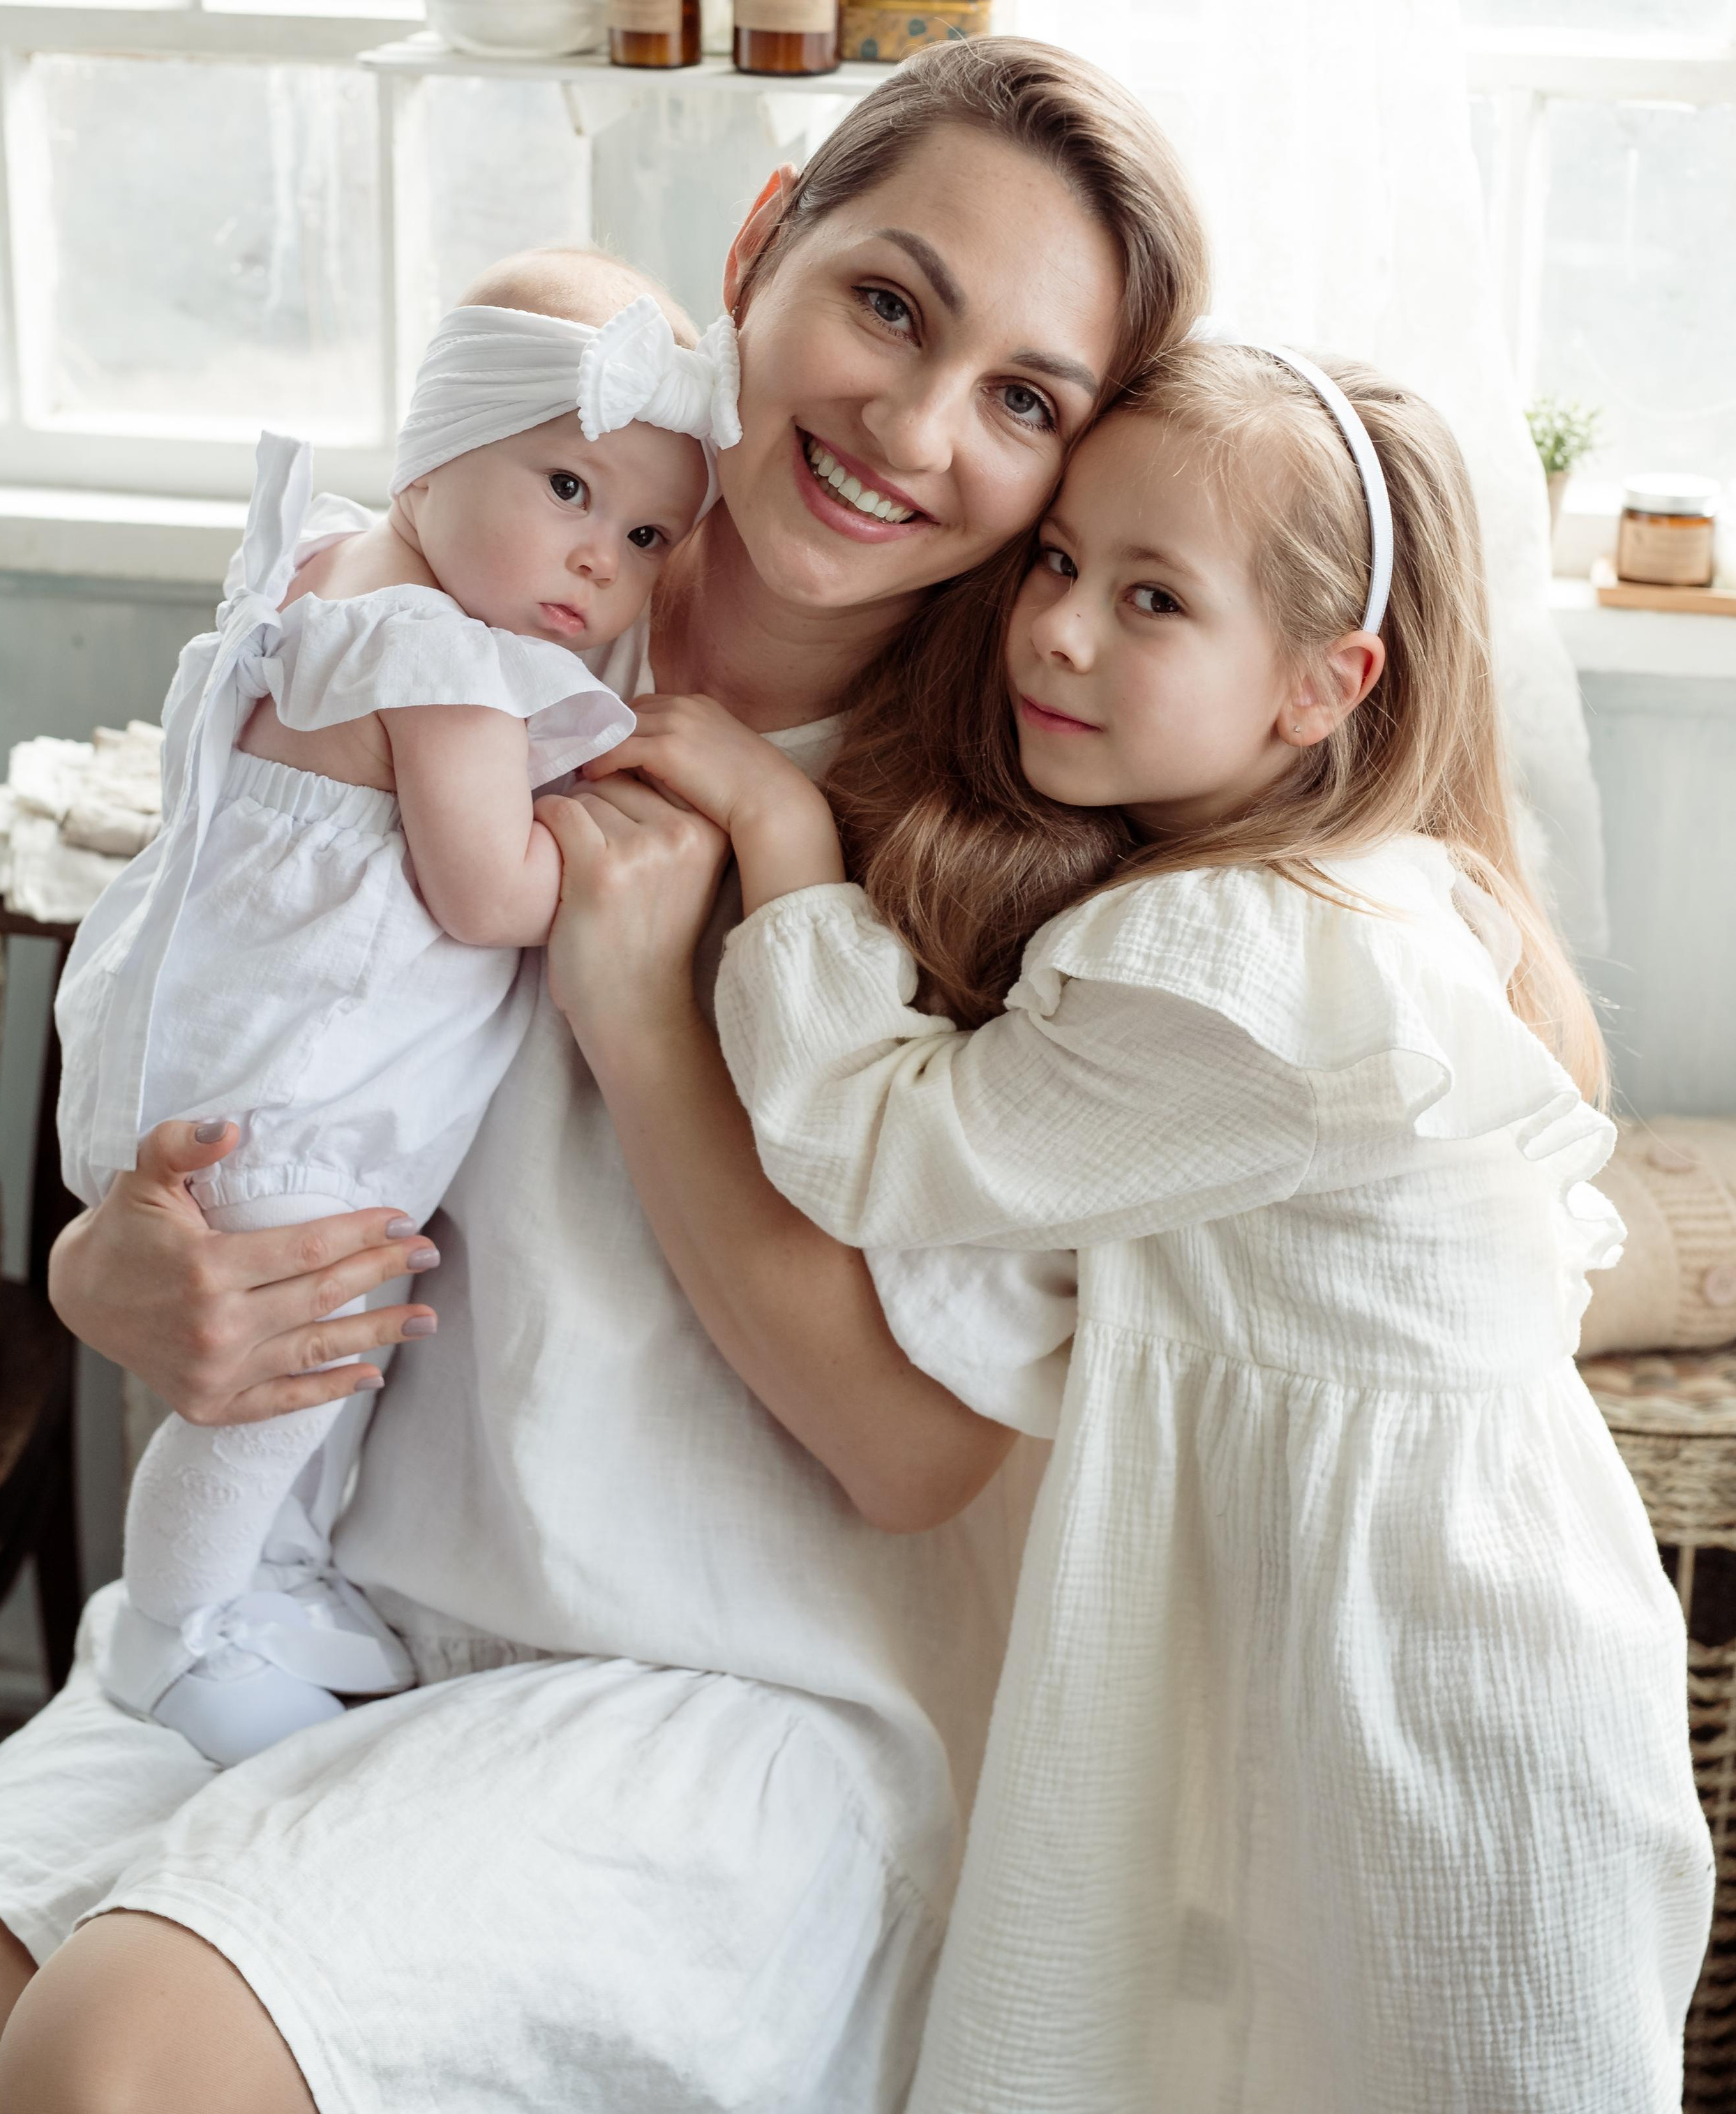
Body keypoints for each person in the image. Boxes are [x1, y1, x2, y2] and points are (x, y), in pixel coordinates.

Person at [0, 38, 1209, 2114]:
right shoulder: (465, 588)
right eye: (889, 303)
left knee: (115, 2057)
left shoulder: (998, 847)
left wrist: (641, 1023)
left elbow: (915, 1464)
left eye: (1022, 400)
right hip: (336, 1614)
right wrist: (110, 1268)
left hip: (725, 1693)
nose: (912, 426)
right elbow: (199, 1007)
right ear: (760, 245)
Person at [564, 331, 1714, 2113]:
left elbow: (877, 1149)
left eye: (1151, 598)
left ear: (1321, 685)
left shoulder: (1245, 971)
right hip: (1374, 1623)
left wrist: (784, 836)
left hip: (1428, 1679)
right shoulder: (1341, 899)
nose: (1056, 630)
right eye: (1056, 561)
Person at [54, 256, 727, 1764]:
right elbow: (488, 893)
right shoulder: (443, 659)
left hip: (199, 1050)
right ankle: (177, 1630)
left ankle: (275, 1578)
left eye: (644, 536)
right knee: (290, 1381)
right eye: (568, 487)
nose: (599, 562)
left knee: (313, 1375)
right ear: (441, 447)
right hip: (304, 1102)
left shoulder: (325, 571)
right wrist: (615, 853)